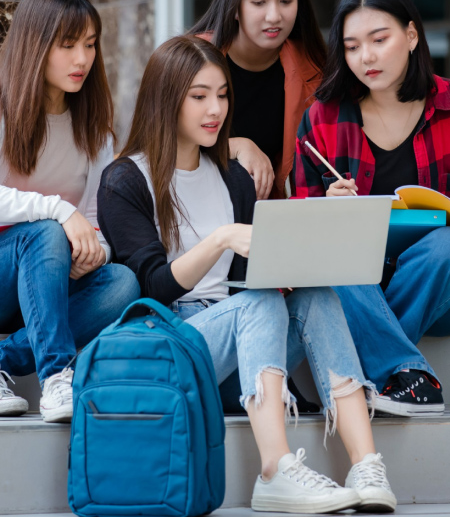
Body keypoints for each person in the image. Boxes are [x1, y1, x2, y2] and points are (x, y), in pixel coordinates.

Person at [98, 35, 396, 513]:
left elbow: (258, 267)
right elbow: (151, 286)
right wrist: (220, 238)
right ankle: (276, 469)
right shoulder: (125, 180)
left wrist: (322, 217)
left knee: (316, 295)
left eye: (221, 94)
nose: (214, 108)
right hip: (174, 344)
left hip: (241, 346)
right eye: (199, 96)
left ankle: (366, 463)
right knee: (257, 303)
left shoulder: (233, 178)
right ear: (165, 97)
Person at [294, 0, 447, 418]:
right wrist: (330, 210)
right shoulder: (322, 118)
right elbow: (303, 238)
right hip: (353, 287)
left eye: (379, 40)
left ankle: (378, 364)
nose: (367, 57)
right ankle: (407, 376)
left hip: (437, 286)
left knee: (445, 246)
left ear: (412, 35)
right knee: (333, 252)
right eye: (353, 46)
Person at [0, 0, 140, 422]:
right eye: (67, 45)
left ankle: (3, 359)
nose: (82, 59)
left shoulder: (93, 129)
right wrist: (60, 212)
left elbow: (96, 218)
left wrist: (93, 251)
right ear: (35, 44)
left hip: (49, 280)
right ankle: (58, 372)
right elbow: (62, 215)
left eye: (90, 44)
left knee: (122, 284)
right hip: (5, 273)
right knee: (43, 232)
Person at [190, 0, 326, 200]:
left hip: (273, 219)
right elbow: (158, 142)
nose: (274, 16)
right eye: (259, 2)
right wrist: (236, 146)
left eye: (286, 1)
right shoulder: (189, 61)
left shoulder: (314, 72)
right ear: (235, 6)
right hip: (192, 211)